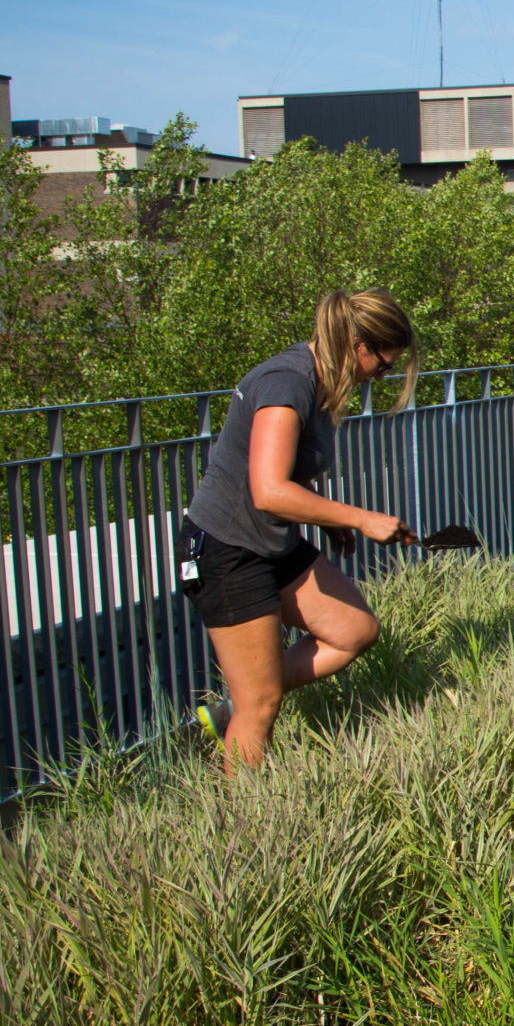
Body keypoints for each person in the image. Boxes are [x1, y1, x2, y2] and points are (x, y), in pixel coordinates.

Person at [180, 288, 419, 768]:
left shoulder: (318, 381)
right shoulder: (286, 383)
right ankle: (239, 825)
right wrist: (359, 517)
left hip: (271, 541)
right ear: (358, 345)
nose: (381, 375)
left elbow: (282, 483)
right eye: (384, 365)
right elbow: (268, 490)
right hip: (226, 550)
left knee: (354, 630)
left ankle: (236, 703)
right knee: (263, 705)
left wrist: (327, 523)